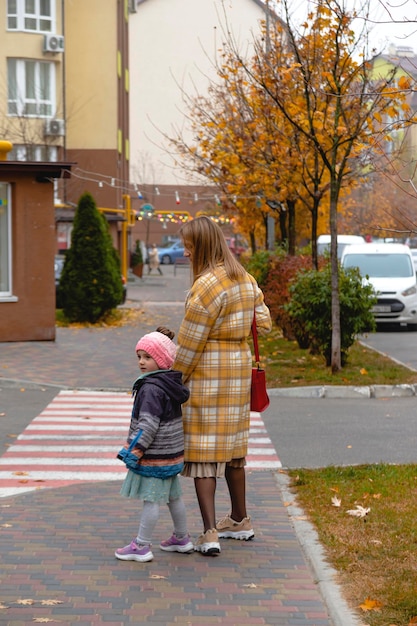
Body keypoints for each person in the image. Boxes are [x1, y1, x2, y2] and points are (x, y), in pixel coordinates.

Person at [172, 216, 272, 556]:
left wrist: (173, 380)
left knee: (203, 452)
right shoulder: (243, 277)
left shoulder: (205, 286)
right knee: (233, 450)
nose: (185, 252)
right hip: (238, 368)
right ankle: (241, 520)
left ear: (200, 245)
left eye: (187, 245)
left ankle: (210, 532)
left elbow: (189, 343)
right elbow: (264, 321)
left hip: (208, 373)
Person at [115, 326, 192, 563]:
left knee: (152, 498)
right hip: (171, 453)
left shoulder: (150, 389)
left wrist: (133, 452)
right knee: (173, 497)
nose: (141, 362)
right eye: (139, 356)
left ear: (162, 359)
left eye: (148, 357)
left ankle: (141, 545)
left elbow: (147, 426)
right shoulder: (169, 384)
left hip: (155, 455)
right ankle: (182, 538)